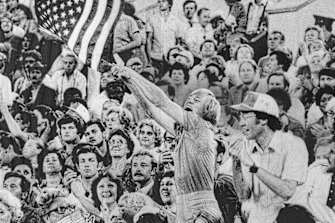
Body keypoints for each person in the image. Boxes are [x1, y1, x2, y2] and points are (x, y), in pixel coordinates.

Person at [110, 65, 223, 223]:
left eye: (197, 99)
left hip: (201, 205)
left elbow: (160, 101)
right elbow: (150, 109)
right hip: (184, 204)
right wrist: (129, 82)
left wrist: (132, 74)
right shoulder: (185, 131)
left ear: (208, 109)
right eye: (189, 98)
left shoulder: (200, 125)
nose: (190, 100)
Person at [229, 91, 308, 223]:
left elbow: (287, 190)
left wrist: (254, 168)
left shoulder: (294, 144)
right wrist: (236, 161)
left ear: (264, 119)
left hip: (289, 218)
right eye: (240, 117)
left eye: (247, 117)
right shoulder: (247, 146)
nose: (241, 123)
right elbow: (243, 195)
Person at [146, 0, 183, 76]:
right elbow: (149, 40)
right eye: (159, 2)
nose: (160, 4)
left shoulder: (176, 20)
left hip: (171, 58)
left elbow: (178, 41)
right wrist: (149, 58)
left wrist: (176, 57)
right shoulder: (152, 19)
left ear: (169, 4)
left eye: (163, 1)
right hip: (156, 57)